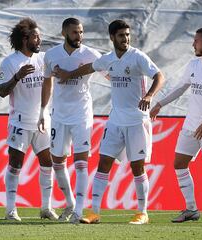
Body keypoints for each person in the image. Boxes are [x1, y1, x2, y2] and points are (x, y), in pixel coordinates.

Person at [54, 19, 165, 225]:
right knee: (103, 163)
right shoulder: (108, 59)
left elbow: (159, 76)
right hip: (115, 121)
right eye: (122, 35)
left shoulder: (137, 56)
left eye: (128, 35)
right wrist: (69, 74)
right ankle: (94, 212)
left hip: (137, 121)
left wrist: (149, 95)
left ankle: (143, 212)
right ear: (112, 37)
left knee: (137, 167)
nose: (126, 39)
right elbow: (90, 67)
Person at [150, 27, 202, 224]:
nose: (193, 44)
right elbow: (180, 87)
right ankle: (191, 209)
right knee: (179, 164)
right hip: (191, 124)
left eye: (196, 41)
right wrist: (160, 104)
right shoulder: (193, 64)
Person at [37, 18, 102, 224]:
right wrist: (42, 110)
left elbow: (107, 69)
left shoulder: (91, 53)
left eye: (81, 32)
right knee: (58, 161)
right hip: (59, 115)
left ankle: (79, 211)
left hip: (82, 114)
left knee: (81, 162)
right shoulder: (51, 55)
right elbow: (47, 81)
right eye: (75, 32)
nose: (79, 36)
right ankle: (71, 202)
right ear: (64, 32)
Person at [0, 18, 58, 221]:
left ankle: (46, 208)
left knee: (47, 163)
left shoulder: (43, 59)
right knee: (15, 164)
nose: (39, 39)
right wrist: (16, 77)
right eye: (36, 36)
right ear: (25, 39)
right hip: (20, 122)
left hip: (43, 120)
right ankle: (10, 210)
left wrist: (45, 111)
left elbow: (50, 83)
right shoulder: (10, 62)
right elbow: (1, 92)